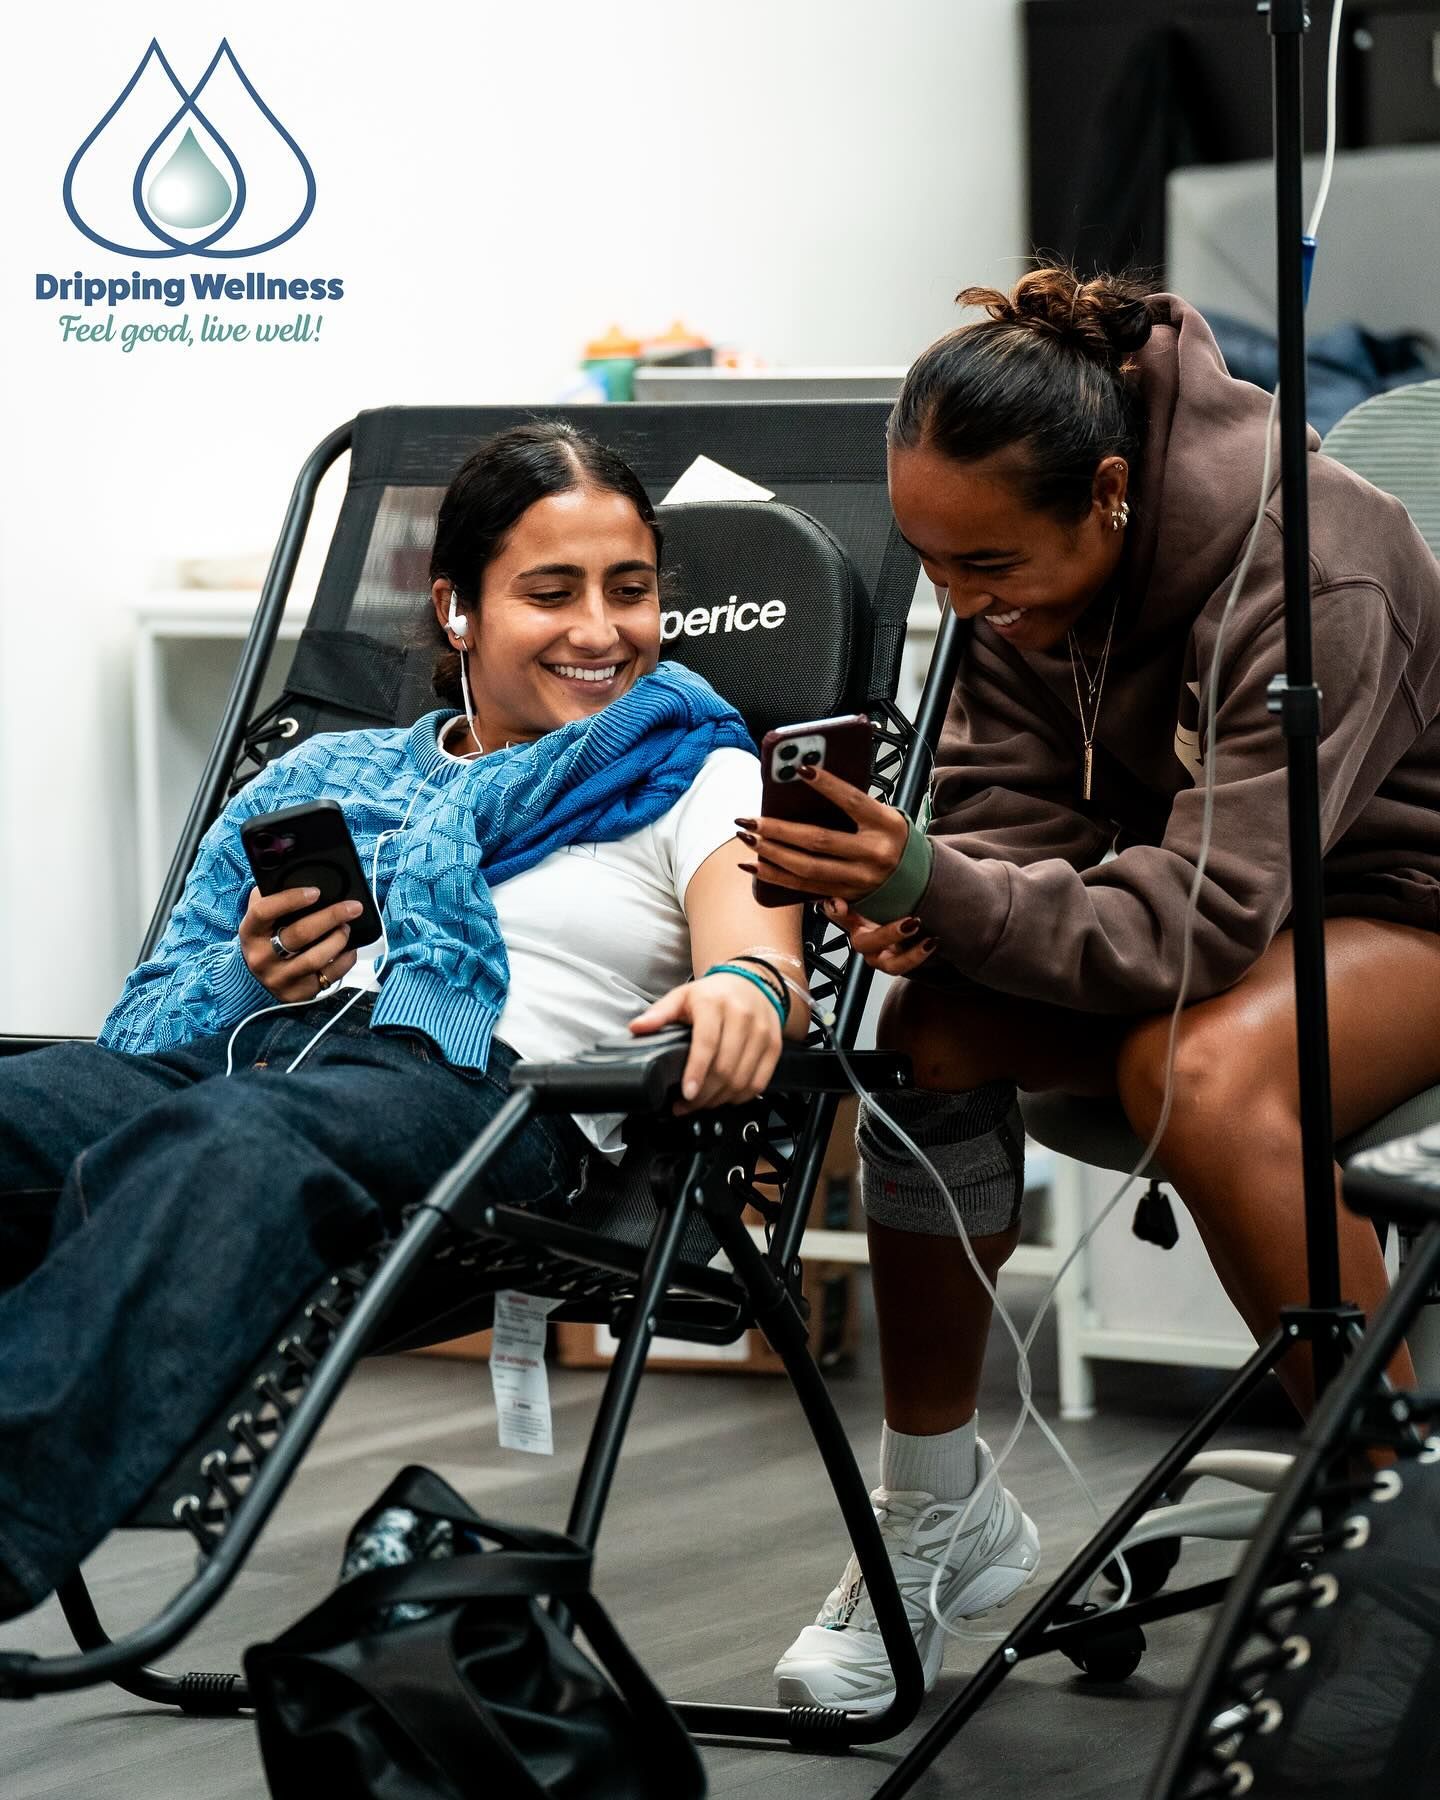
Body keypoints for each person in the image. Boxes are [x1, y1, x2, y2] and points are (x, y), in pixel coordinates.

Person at [751, 267, 1440, 1714]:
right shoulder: (1019, 583)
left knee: (1195, 1074)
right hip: (1200, 905)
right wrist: (933, 906)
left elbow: (1205, 922)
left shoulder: (1317, 564)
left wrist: (941, 886)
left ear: (1112, 494)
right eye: (933, 564)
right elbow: (1009, 819)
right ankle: (937, 1507)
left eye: (987, 565)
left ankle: (1403, 1541)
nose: (961, 602)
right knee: (930, 1029)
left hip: (1404, 902)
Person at [0, 420, 808, 1622]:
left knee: (236, 1141)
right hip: (242, 1061)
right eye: (552, 593)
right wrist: (255, 974)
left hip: (481, 1100)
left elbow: (761, 958)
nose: (602, 630)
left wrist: (744, 995)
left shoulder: (693, 768)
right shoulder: (322, 782)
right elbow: (154, 1023)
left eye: (630, 589)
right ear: (457, 610)